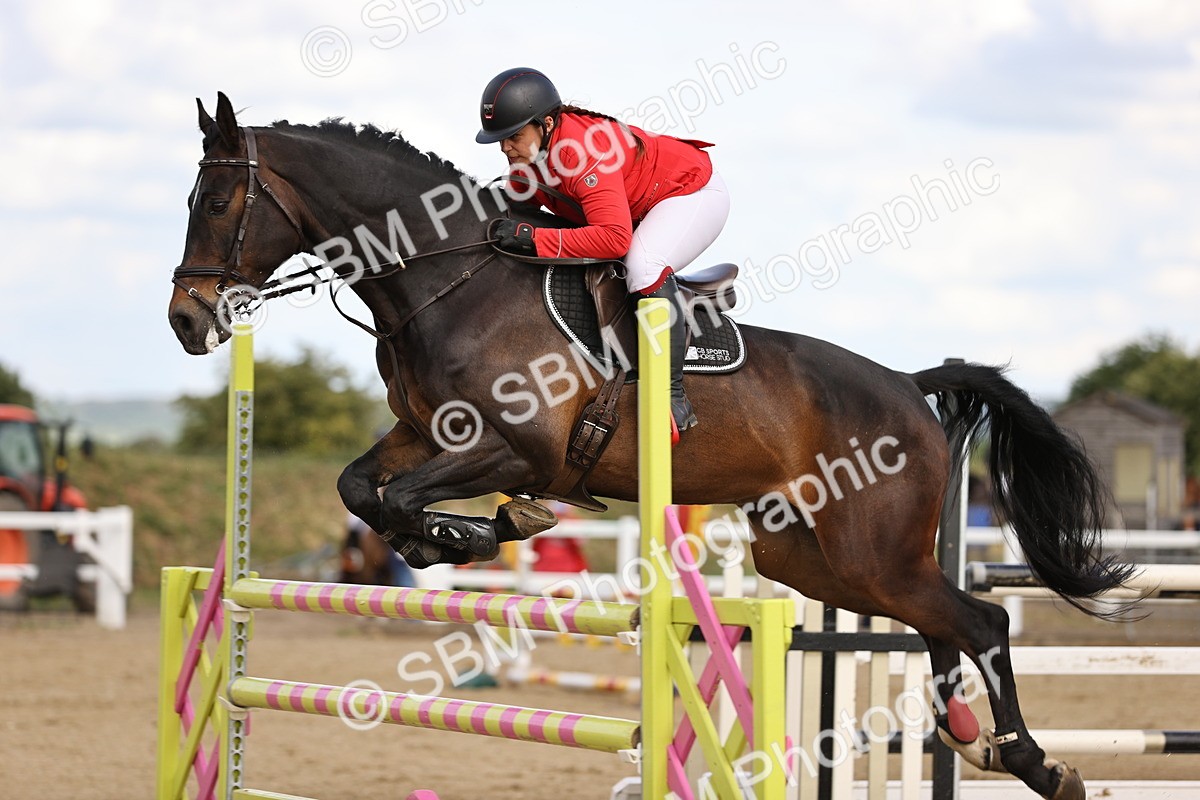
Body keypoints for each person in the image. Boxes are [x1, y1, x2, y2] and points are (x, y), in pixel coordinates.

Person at [476, 67, 730, 434]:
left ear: (546, 124)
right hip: (640, 205)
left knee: (642, 266)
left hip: (691, 194)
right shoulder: (530, 160)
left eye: (514, 136)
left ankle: (671, 395)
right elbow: (513, 207)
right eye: (500, 139)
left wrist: (535, 238)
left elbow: (614, 239)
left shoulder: (583, 154)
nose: (504, 147)